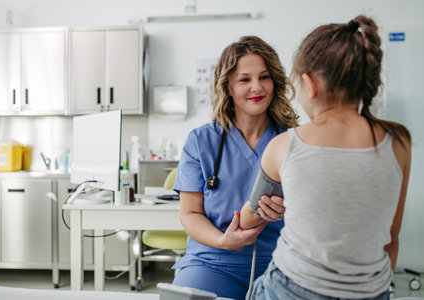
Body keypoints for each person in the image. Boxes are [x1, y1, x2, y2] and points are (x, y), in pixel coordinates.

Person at [241, 15, 411, 300]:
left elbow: (250, 217)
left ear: (310, 85)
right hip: (371, 291)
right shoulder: (398, 142)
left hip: (290, 289)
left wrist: (250, 215)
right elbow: (391, 238)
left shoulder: (284, 146)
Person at [172, 36, 299, 300]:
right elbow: (190, 214)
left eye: (264, 77)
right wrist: (222, 241)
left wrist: (291, 208)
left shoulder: (293, 140)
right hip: (211, 262)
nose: (257, 87)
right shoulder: (201, 141)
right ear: (228, 86)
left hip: (279, 266)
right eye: (245, 80)